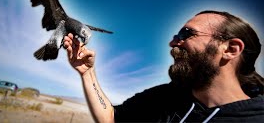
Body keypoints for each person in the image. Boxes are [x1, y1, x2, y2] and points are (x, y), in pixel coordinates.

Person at [63, 10, 264, 122]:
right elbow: (111, 118)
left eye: (186, 34)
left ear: (230, 49)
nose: (173, 42)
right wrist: (87, 73)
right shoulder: (165, 98)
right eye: (176, 36)